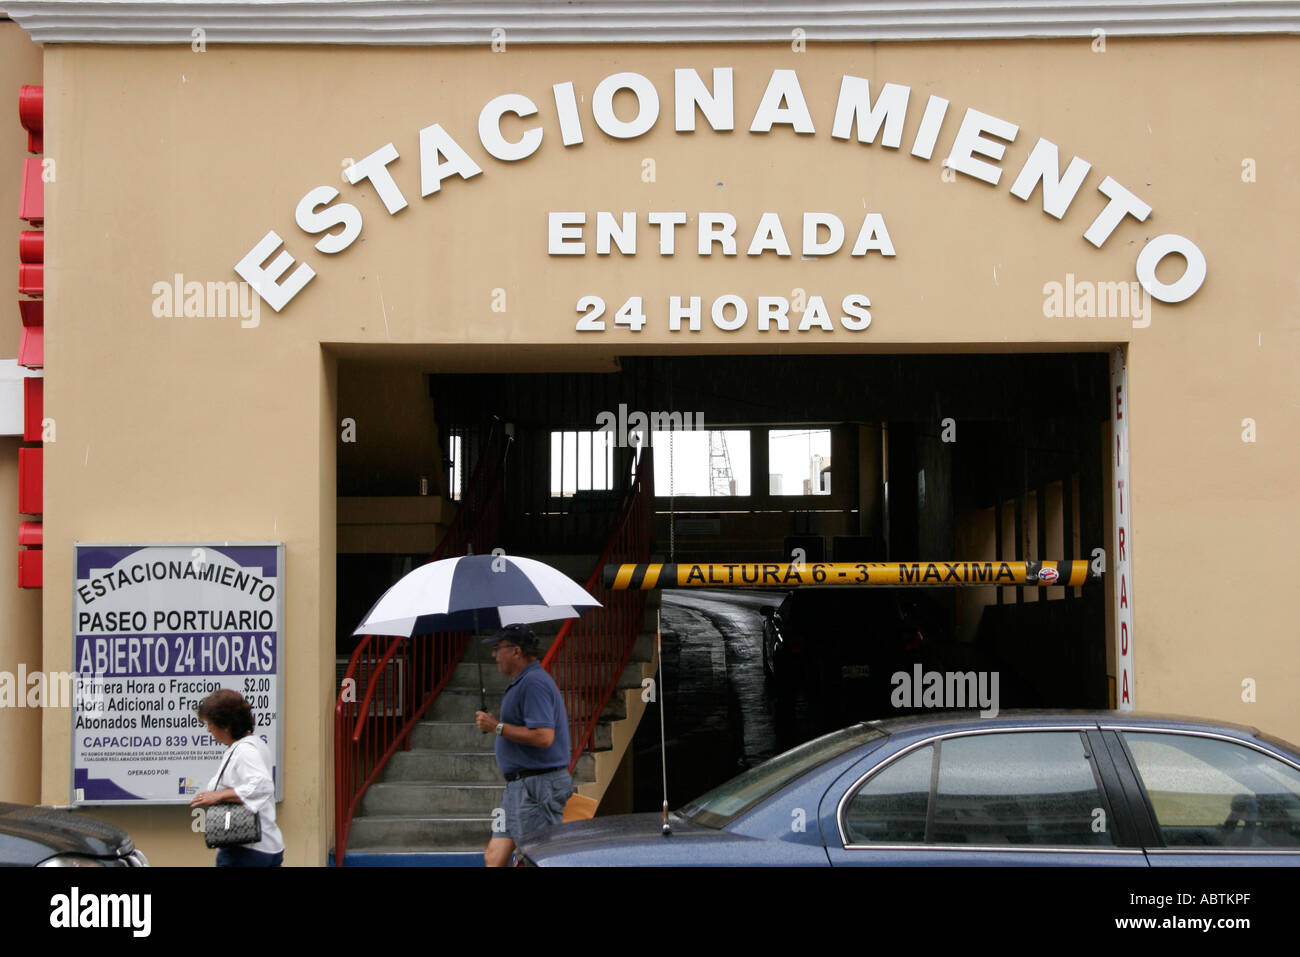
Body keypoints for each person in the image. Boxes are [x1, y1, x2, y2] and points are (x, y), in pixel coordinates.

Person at [474, 623, 573, 867]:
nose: (494, 654)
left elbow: (544, 737)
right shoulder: (523, 682)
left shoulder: (533, 683)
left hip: (536, 787)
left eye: (498, 648)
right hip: (520, 787)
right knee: (495, 855)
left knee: (537, 858)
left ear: (516, 651)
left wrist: (496, 727)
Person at [189, 689, 285, 867]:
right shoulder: (253, 744)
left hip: (247, 849)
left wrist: (219, 795)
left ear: (226, 725)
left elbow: (262, 785)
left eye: (210, 724)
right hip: (263, 844)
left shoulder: (245, 751)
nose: (209, 729)